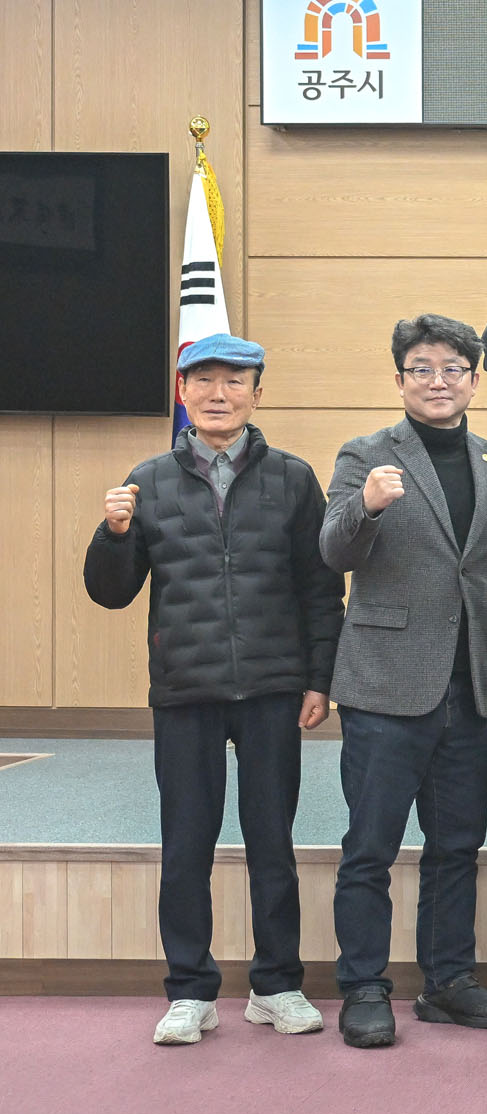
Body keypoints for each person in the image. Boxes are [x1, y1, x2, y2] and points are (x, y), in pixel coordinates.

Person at [83, 333, 343, 1046]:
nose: (218, 394)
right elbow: (111, 591)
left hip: (272, 688)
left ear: (257, 393)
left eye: (233, 381)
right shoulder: (148, 479)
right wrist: (113, 534)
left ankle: (277, 985)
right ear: (183, 392)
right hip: (185, 691)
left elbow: (321, 589)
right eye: (203, 381)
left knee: (272, 845)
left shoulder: (293, 478)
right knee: (185, 847)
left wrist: (319, 679)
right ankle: (190, 991)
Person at [321, 315, 487, 1049]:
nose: (438, 381)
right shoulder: (366, 455)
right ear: (400, 378)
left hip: (469, 685)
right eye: (422, 369)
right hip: (386, 685)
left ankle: (448, 981)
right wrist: (367, 505)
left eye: (452, 369)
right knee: (370, 847)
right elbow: (333, 551)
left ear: (474, 380)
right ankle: (363, 987)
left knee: (457, 845)